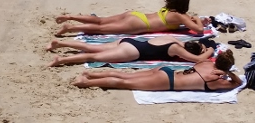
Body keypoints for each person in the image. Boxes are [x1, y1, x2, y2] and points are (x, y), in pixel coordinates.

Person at [72, 49, 241, 92]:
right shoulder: (216, 80)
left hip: (166, 71)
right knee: (124, 83)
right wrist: (228, 73)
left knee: (125, 75)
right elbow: (237, 83)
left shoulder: (206, 63)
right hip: (168, 82)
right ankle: (86, 82)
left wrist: (224, 69)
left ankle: (90, 73)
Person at [54, 0, 207, 36]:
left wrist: (193, 20)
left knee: (100, 21)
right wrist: (198, 20)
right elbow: (199, 30)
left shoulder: (169, 9)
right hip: (139, 24)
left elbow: (186, 23)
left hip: (135, 15)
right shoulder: (180, 16)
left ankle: (70, 16)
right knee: (101, 30)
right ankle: (69, 28)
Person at [46, 36, 212, 67]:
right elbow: (199, 60)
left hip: (129, 41)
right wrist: (210, 49)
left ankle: (59, 43)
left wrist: (202, 46)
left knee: (92, 48)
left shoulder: (174, 41)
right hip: (132, 51)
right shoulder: (176, 49)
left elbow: (195, 51)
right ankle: (60, 60)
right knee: (94, 56)